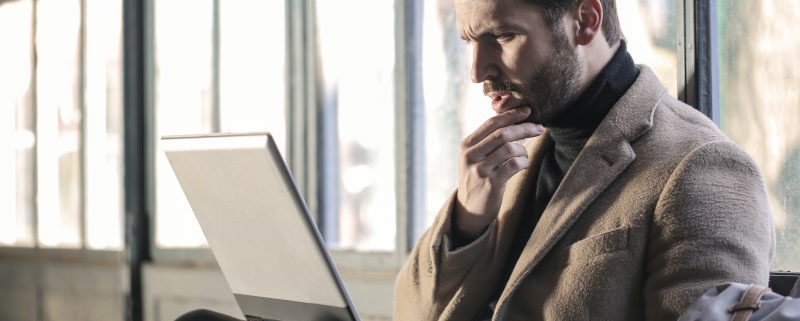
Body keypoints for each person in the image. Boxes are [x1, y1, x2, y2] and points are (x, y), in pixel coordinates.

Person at [393, 0, 774, 320]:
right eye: (470, 41)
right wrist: (467, 220)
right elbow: (409, 313)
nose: (477, 71)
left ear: (586, 21)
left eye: (503, 36)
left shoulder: (704, 167)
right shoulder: (507, 153)